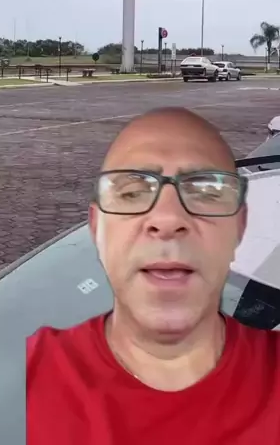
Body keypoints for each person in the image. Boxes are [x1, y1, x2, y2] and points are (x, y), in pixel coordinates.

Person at [27, 107, 280, 444]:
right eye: (133, 192)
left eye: (205, 192)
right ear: (96, 226)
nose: (167, 219)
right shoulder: (14, 370)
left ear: (240, 226)